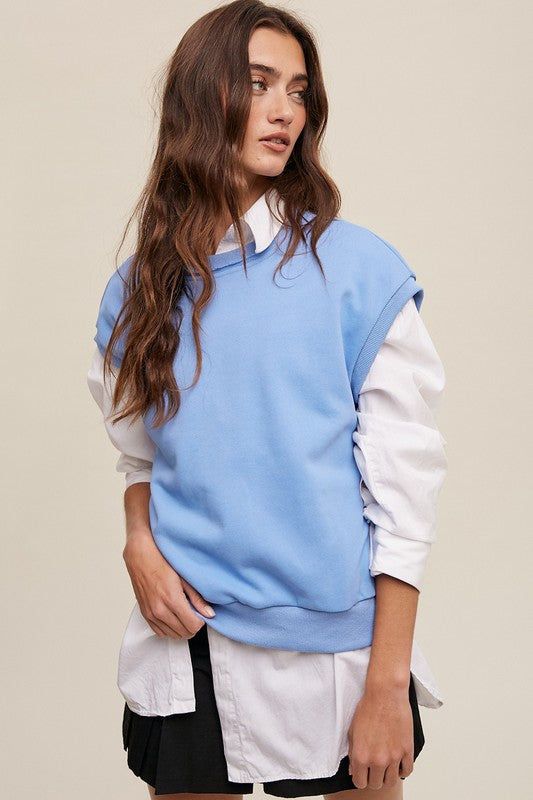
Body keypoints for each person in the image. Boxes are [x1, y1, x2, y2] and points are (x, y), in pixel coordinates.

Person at [86, 1, 448, 798]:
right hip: (189, 647)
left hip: (337, 657)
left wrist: (388, 685)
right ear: (200, 96)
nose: (285, 110)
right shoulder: (139, 290)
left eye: (298, 90)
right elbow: (139, 457)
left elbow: (403, 497)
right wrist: (138, 545)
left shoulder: (358, 274)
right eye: (258, 84)